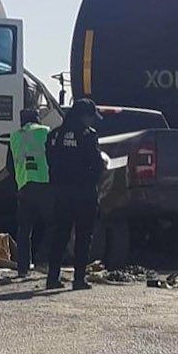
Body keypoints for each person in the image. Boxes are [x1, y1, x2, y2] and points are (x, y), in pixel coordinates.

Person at [46, 98, 106, 291]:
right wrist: (93, 179)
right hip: (84, 193)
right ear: (84, 116)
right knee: (83, 236)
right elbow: (97, 164)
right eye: (91, 117)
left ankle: (52, 277)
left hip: (61, 192)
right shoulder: (87, 135)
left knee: (59, 235)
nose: (92, 122)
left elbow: (50, 160)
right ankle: (78, 279)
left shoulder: (55, 134)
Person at [7, 107, 51, 278]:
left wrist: (20, 178)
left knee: (24, 229)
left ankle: (23, 268)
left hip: (24, 185)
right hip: (45, 183)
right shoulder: (45, 131)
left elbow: (9, 165)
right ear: (37, 118)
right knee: (54, 224)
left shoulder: (15, 136)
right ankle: (42, 260)